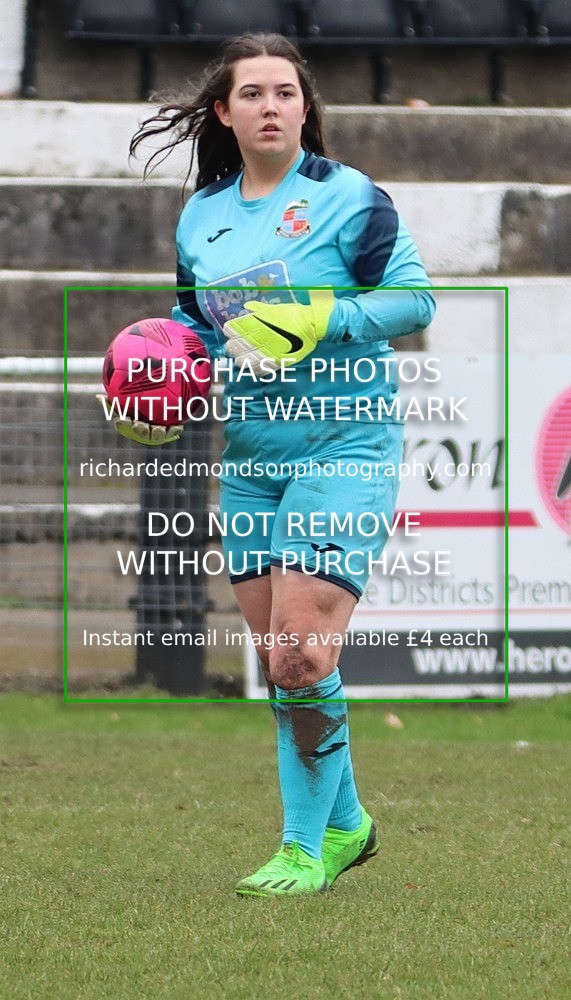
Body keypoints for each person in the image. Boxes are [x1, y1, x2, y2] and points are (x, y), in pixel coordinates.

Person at [122, 32, 436, 897]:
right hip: (253, 458)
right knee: (290, 665)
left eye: (285, 92)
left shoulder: (348, 198)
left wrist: (321, 317)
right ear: (223, 112)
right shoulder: (202, 215)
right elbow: (195, 325)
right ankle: (347, 824)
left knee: (299, 649)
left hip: (345, 443)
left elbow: (413, 299)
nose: (270, 106)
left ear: (305, 109)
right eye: (252, 93)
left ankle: (302, 850)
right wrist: (154, 367)